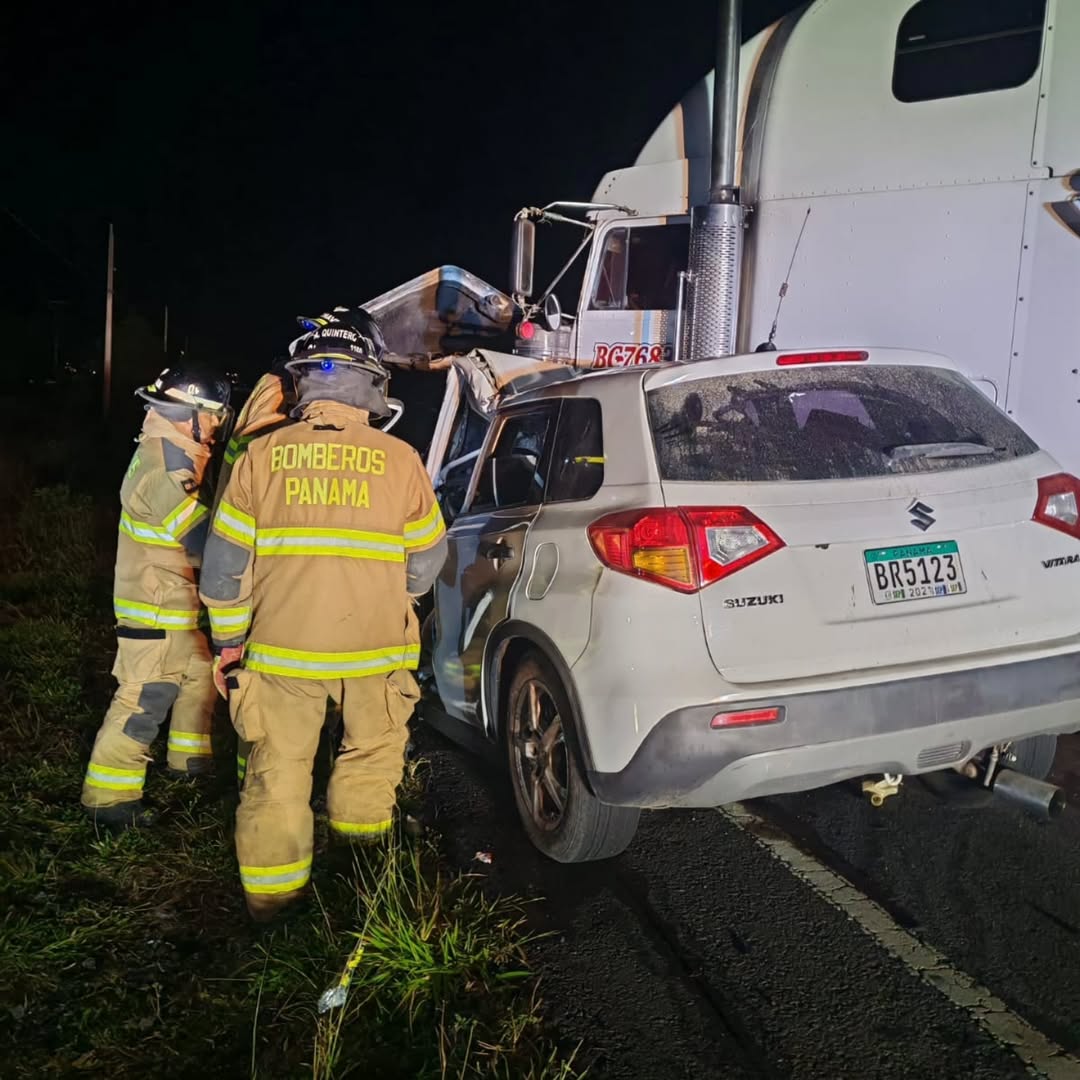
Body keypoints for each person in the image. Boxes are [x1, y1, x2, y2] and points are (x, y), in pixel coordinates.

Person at [199, 309, 448, 920]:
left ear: (302, 380)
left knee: (276, 774)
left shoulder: (260, 456)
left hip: (281, 652)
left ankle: (274, 905)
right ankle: (363, 880)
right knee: (370, 758)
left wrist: (230, 645)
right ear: (373, 381)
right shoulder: (401, 460)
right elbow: (427, 562)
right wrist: (389, 595)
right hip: (376, 655)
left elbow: (224, 570)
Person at [82, 364, 233, 829]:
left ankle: (188, 763)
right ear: (191, 414)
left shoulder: (168, 450)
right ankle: (108, 798)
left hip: (172, 607)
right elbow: (203, 543)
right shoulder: (168, 468)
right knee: (144, 698)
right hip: (154, 611)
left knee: (199, 676)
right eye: (213, 417)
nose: (215, 428)